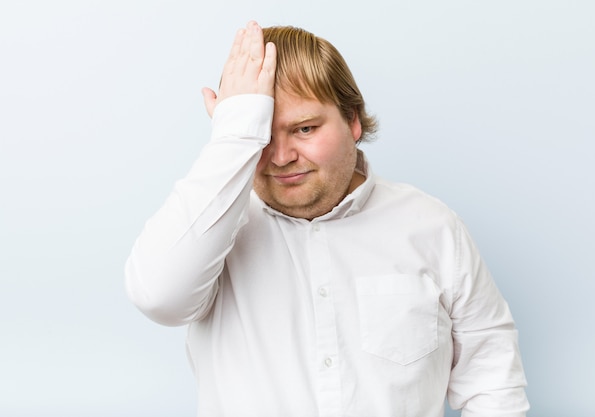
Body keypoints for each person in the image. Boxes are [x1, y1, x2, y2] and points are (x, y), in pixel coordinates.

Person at [125, 20, 529, 417]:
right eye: (262, 135)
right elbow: (160, 298)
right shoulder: (209, 234)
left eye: (304, 128)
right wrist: (235, 132)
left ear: (353, 120)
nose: (281, 157)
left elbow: (493, 381)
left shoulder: (433, 227)